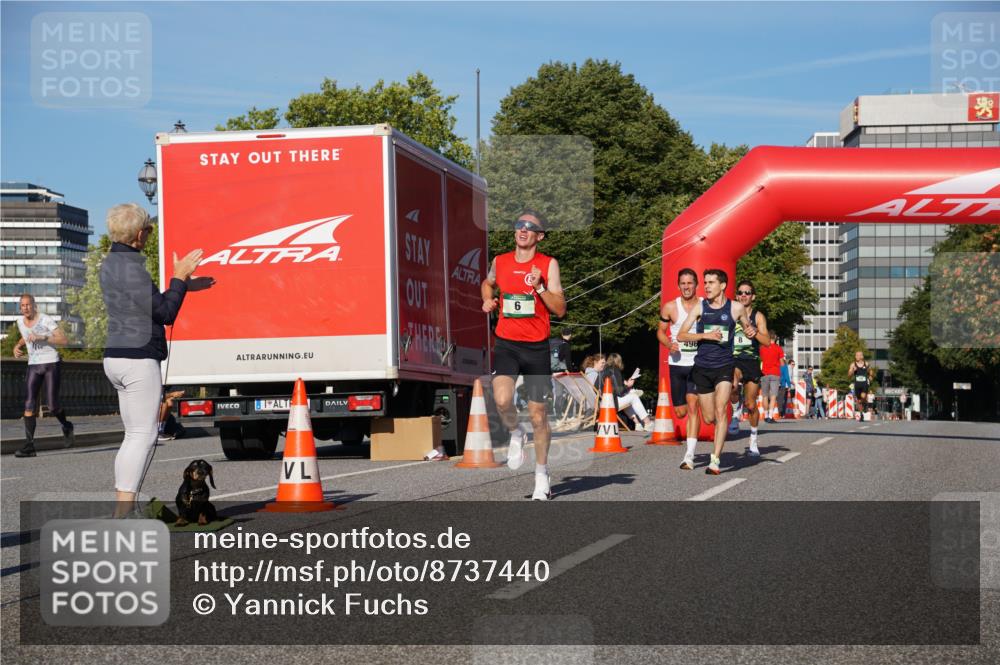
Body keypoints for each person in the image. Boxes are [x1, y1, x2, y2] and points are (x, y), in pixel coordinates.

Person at [101, 203, 212, 517]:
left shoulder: (112, 262)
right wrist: (178, 278)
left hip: (116, 356)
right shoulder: (131, 267)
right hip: (137, 358)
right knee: (144, 436)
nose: (150, 234)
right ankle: (123, 514)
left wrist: (183, 285)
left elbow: (145, 303)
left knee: (132, 435)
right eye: (149, 229)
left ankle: (124, 507)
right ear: (140, 234)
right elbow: (164, 313)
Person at [481, 209, 566, 501]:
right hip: (507, 343)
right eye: (519, 225)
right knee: (502, 399)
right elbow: (488, 282)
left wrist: (540, 286)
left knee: (539, 415)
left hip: (536, 348)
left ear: (539, 236)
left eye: (530, 227)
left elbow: (560, 309)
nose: (523, 230)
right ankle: (517, 432)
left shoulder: (547, 264)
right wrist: (487, 300)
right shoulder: (500, 261)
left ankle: (542, 476)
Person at [677, 268, 761, 474]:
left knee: (721, 409)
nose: (706, 286)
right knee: (708, 417)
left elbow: (748, 328)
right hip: (703, 367)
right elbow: (681, 335)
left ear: (722, 285)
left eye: (711, 282)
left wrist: (752, 331)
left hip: (725, 366)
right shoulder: (700, 307)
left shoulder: (736, 308)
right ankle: (721, 428)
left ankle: (715, 460)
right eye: (705, 282)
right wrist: (705, 336)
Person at [11, 293, 74, 457]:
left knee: (52, 405)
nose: (26, 308)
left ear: (34, 305)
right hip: (33, 365)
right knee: (29, 403)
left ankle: (66, 425)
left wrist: (43, 337)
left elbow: (63, 340)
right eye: (22, 305)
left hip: (50, 363)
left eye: (28, 305)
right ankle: (29, 446)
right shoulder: (20, 322)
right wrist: (17, 346)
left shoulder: (45, 319)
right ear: (20, 308)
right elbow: (25, 337)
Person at [657, 268, 702, 448]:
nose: (686, 287)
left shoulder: (704, 306)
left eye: (690, 283)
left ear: (696, 285)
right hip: (677, 364)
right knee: (681, 411)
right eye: (683, 283)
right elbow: (660, 332)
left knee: (693, 405)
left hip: (697, 363)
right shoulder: (670, 307)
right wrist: (669, 344)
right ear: (678, 286)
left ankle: (690, 452)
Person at [728, 280, 771, 454]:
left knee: (751, 404)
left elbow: (767, 341)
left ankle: (753, 440)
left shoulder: (758, 316)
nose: (743, 295)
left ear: (753, 296)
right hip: (734, 359)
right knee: (732, 383)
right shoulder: (730, 313)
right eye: (740, 292)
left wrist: (754, 332)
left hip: (752, 361)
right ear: (737, 295)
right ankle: (735, 411)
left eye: (747, 293)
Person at [598, 352, 653, 431]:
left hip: (605, 401)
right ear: (618, 361)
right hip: (611, 403)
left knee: (629, 397)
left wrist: (626, 385)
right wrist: (628, 386)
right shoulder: (615, 370)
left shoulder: (604, 370)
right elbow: (620, 392)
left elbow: (615, 389)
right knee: (633, 397)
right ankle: (647, 423)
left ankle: (638, 424)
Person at [759, 341, 783, 425]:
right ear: (775, 338)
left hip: (764, 373)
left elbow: (760, 359)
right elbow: (782, 362)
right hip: (775, 374)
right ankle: (770, 416)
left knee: (765, 396)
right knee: (773, 396)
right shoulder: (778, 348)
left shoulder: (762, 348)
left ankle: (765, 416)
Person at [848, 351, 873, 421]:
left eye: (858, 355)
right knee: (858, 401)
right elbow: (849, 375)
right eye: (856, 355)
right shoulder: (853, 365)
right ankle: (861, 414)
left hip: (864, 384)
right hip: (857, 385)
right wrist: (853, 371)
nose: (857, 357)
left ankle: (865, 404)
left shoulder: (866, 363)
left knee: (863, 396)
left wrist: (870, 375)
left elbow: (870, 371)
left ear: (862, 356)